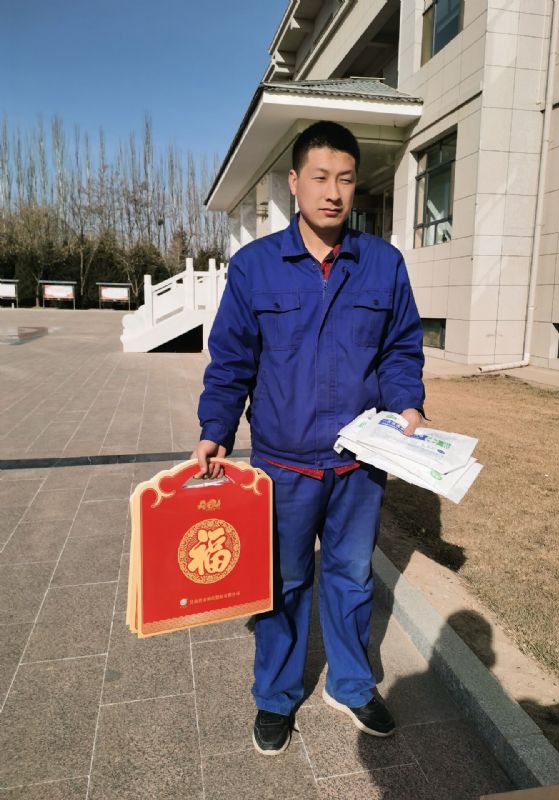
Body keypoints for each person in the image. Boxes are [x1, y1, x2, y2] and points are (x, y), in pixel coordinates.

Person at [193, 121, 425, 755]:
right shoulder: (256, 266)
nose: (333, 192)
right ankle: (275, 696)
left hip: (358, 465)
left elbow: (400, 348)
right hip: (284, 466)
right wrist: (215, 430)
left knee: (351, 578)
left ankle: (350, 685)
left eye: (345, 179)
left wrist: (407, 404)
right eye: (320, 177)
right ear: (295, 183)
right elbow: (231, 360)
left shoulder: (382, 264)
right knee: (283, 583)